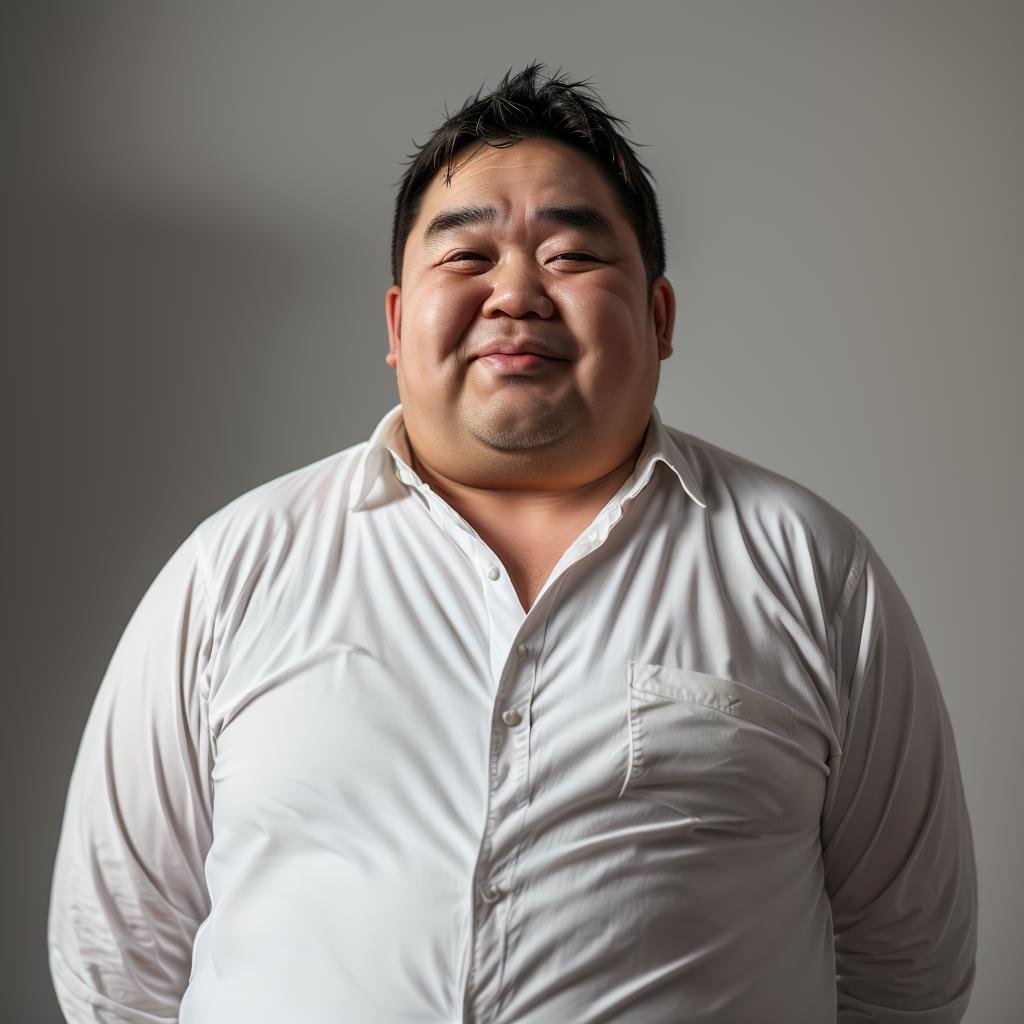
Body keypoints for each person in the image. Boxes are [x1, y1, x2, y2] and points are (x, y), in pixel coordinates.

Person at [48, 63, 977, 1023]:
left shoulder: (810, 570)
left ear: (659, 320)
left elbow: (907, 962)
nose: (518, 295)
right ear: (400, 322)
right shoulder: (232, 568)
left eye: (572, 257)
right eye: (465, 258)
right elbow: (117, 957)